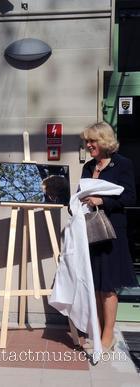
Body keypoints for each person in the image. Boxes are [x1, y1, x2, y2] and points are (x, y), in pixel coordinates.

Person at [80, 121, 138, 353]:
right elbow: (80, 193)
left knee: (108, 286)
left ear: (104, 141)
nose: (88, 145)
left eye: (92, 141)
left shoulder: (123, 164)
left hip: (112, 232)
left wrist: (102, 201)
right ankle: (98, 328)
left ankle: (108, 335)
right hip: (89, 230)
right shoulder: (88, 166)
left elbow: (130, 197)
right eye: (87, 141)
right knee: (94, 284)